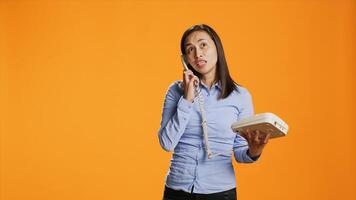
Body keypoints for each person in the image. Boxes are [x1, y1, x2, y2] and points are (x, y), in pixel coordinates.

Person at [158, 24, 271, 200]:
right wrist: (187, 99)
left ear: (217, 48)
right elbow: (166, 143)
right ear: (185, 59)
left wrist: (253, 151)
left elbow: (240, 152)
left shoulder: (240, 96)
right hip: (177, 191)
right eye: (190, 49)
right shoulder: (175, 91)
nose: (197, 54)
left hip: (220, 192)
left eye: (203, 45)